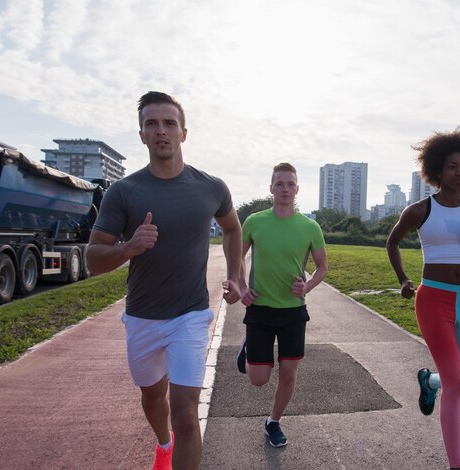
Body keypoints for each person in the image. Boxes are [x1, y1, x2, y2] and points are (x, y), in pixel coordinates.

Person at [86, 91, 241, 470]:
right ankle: (162, 444)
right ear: (141, 135)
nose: (161, 131)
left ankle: (175, 444)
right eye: (151, 124)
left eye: (169, 123)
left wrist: (235, 276)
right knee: (154, 398)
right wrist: (128, 248)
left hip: (190, 315)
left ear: (183, 133)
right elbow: (92, 260)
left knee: (186, 414)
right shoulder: (124, 192)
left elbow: (233, 229)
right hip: (142, 316)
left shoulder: (211, 187)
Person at [386, 127, 460, 470]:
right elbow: (393, 242)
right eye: (453, 166)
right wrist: (404, 279)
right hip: (433, 300)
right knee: (456, 382)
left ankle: (428, 381)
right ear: (437, 170)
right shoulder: (419, 210)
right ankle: (456, 465)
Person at [236, 162, 328, 448]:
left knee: (288, 373)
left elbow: (323, 268)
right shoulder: (254, 221)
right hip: (260, 309)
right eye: (280, 184)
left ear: (297, 189)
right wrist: (241, 287)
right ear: (271, 188)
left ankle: (273, 421)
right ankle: (250, 347)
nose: (285, 189)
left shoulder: (310, 227)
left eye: (290, 184)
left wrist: (307, 286)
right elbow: (236, 258)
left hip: (293, 311)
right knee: (259, 379)